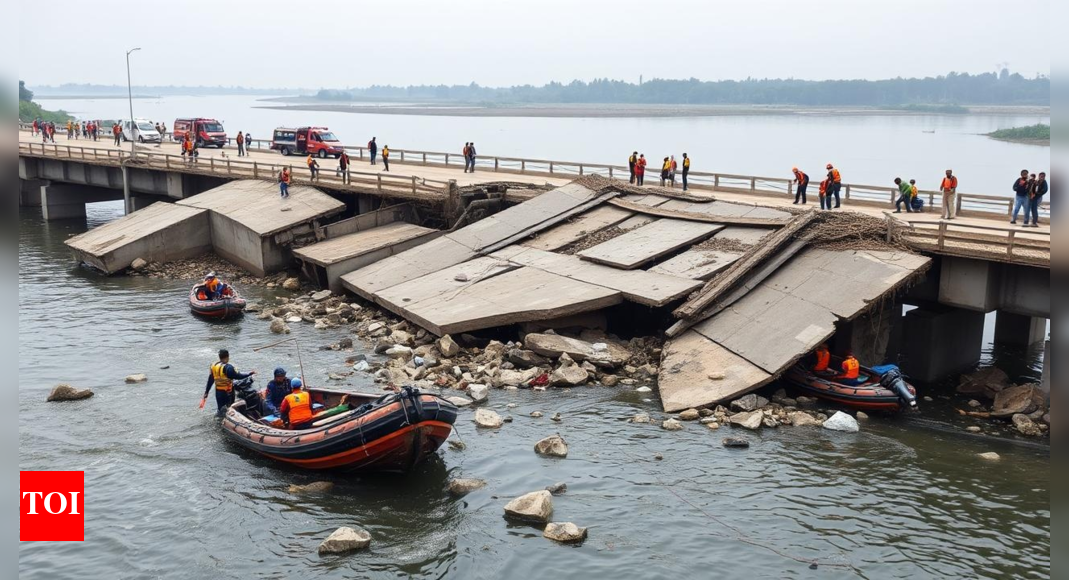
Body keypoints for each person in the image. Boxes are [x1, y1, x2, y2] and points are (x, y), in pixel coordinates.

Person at [200, 349, 256, 417]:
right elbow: (238, 376)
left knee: (220, 409)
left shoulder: (213, 365)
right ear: (227, 357)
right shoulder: (228, 367)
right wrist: (249, 373)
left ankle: (219, 421)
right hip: (228, 392)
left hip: (218, 392)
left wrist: (206, 392)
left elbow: (211, 380)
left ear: (219, 357)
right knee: (230, 408)